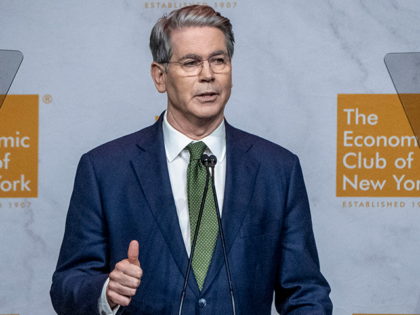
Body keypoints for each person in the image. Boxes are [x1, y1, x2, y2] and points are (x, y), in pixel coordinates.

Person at [50, 5, 332, 315]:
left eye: (219, 60)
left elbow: (305, 292)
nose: (208, 74)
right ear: (160, 77)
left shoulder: (278, 169)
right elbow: (67, 285)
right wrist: (107, 290)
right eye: (191, 63)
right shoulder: (104, 169)